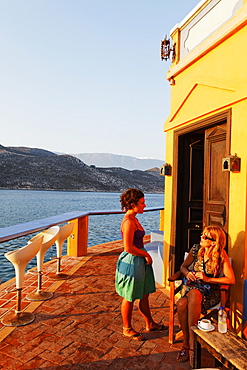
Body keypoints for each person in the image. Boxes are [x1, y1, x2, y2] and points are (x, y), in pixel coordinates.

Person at [176, 226, 235, 365]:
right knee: (182, 302)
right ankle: (189, 343)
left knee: (187, 299)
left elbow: (231, 279)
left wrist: (207, 279)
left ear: (214, 242)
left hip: (210, 293)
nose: (201, 238)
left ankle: (189, 345)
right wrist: (187, 274)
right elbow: (183, 267)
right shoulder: (196, 249)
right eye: (202, 235)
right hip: (191, 287)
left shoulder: (221, 255)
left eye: (205, 237)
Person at [115, 188, 167, 340]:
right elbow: (128, 247)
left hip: (140, 261)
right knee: (129, 296)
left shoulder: (135, 218)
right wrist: (145, 254)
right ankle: (127, 328)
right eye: (142, 203)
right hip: (133, 261)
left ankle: (150, 323)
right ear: (132, 204)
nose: (145, 205)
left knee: (144, 295)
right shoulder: (129, 222)